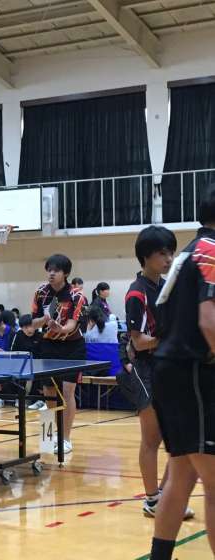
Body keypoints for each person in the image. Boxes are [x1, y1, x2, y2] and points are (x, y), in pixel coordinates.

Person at [148, 190, 215, 560]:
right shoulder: (212, 251)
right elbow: (209, 321)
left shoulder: (186, 254)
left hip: (169, 372)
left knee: (182, 475)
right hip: (194, 375)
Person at [119, 225, 193, 521]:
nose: (168, 258)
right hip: (144, 369)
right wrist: (172, 337)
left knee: (176, 438)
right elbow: (138, 342)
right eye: (162, 253)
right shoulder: (136, 293)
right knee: (151, 439)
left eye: (171, 252)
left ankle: (164, 495)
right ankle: (152, 500)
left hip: (166, 365)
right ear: (145, 257)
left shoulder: (165, 286)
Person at [32, 254, 87, 454]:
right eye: (49, 270)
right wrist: (44, 320)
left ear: (66, 273)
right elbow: (33, 322)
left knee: (67, 391)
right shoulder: (41, 293)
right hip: (48, 345)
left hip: (72, 347)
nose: (51, 273)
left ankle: (65, 439)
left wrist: (60, 328)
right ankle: (47, 436)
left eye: (56, 270)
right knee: (48, 392)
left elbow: (72, 324)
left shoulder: (76, 296)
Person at [11, 313, 46, 411]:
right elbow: (13, 352)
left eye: (31, 326)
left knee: (39, 374)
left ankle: (39, 400)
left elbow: (44, 354)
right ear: (21, 328)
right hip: (23, 364)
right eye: (25, 327)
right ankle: (21, 397)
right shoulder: (18, 335)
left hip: (39, 365)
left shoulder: (41, 336)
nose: (29, 329)